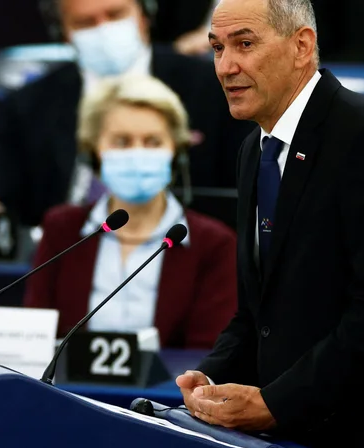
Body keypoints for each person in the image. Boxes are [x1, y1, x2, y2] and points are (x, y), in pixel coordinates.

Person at [175, 0, 364, 447]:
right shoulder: (254, 151)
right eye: (216, 48)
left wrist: (276, 403)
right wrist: (210, 376)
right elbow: (257, 311)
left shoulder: (361, 135)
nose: (226, 67)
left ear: (302, 45)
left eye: (244, 44)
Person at [0, 0, 254, 228]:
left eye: (115, 15)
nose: (103, 30)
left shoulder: (211, 88)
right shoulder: (28, 105)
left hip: (186, 253)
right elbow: (8, 204)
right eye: (86, 23)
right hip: (68, 258)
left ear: (143, 14)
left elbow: (243, 195)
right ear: (63, 32)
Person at [23, 75, 237, 349]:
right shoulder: (62, 229)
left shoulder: (215, 243)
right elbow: (36, 336)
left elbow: (208, 354)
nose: (138, 153)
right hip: (66, 391)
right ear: (94, 150)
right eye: (122, 142)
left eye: (152, 142)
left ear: (176, 150)